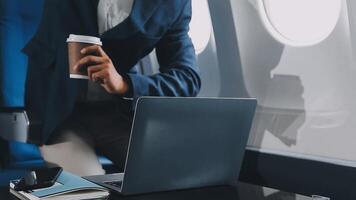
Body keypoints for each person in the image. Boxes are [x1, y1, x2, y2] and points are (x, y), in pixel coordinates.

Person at [23, 0, 201, 176]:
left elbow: (188, 77)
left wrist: (125, 85)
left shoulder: (173, 4)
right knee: (87, 189)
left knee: (174, 176)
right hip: (60, 111)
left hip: (118, 113)